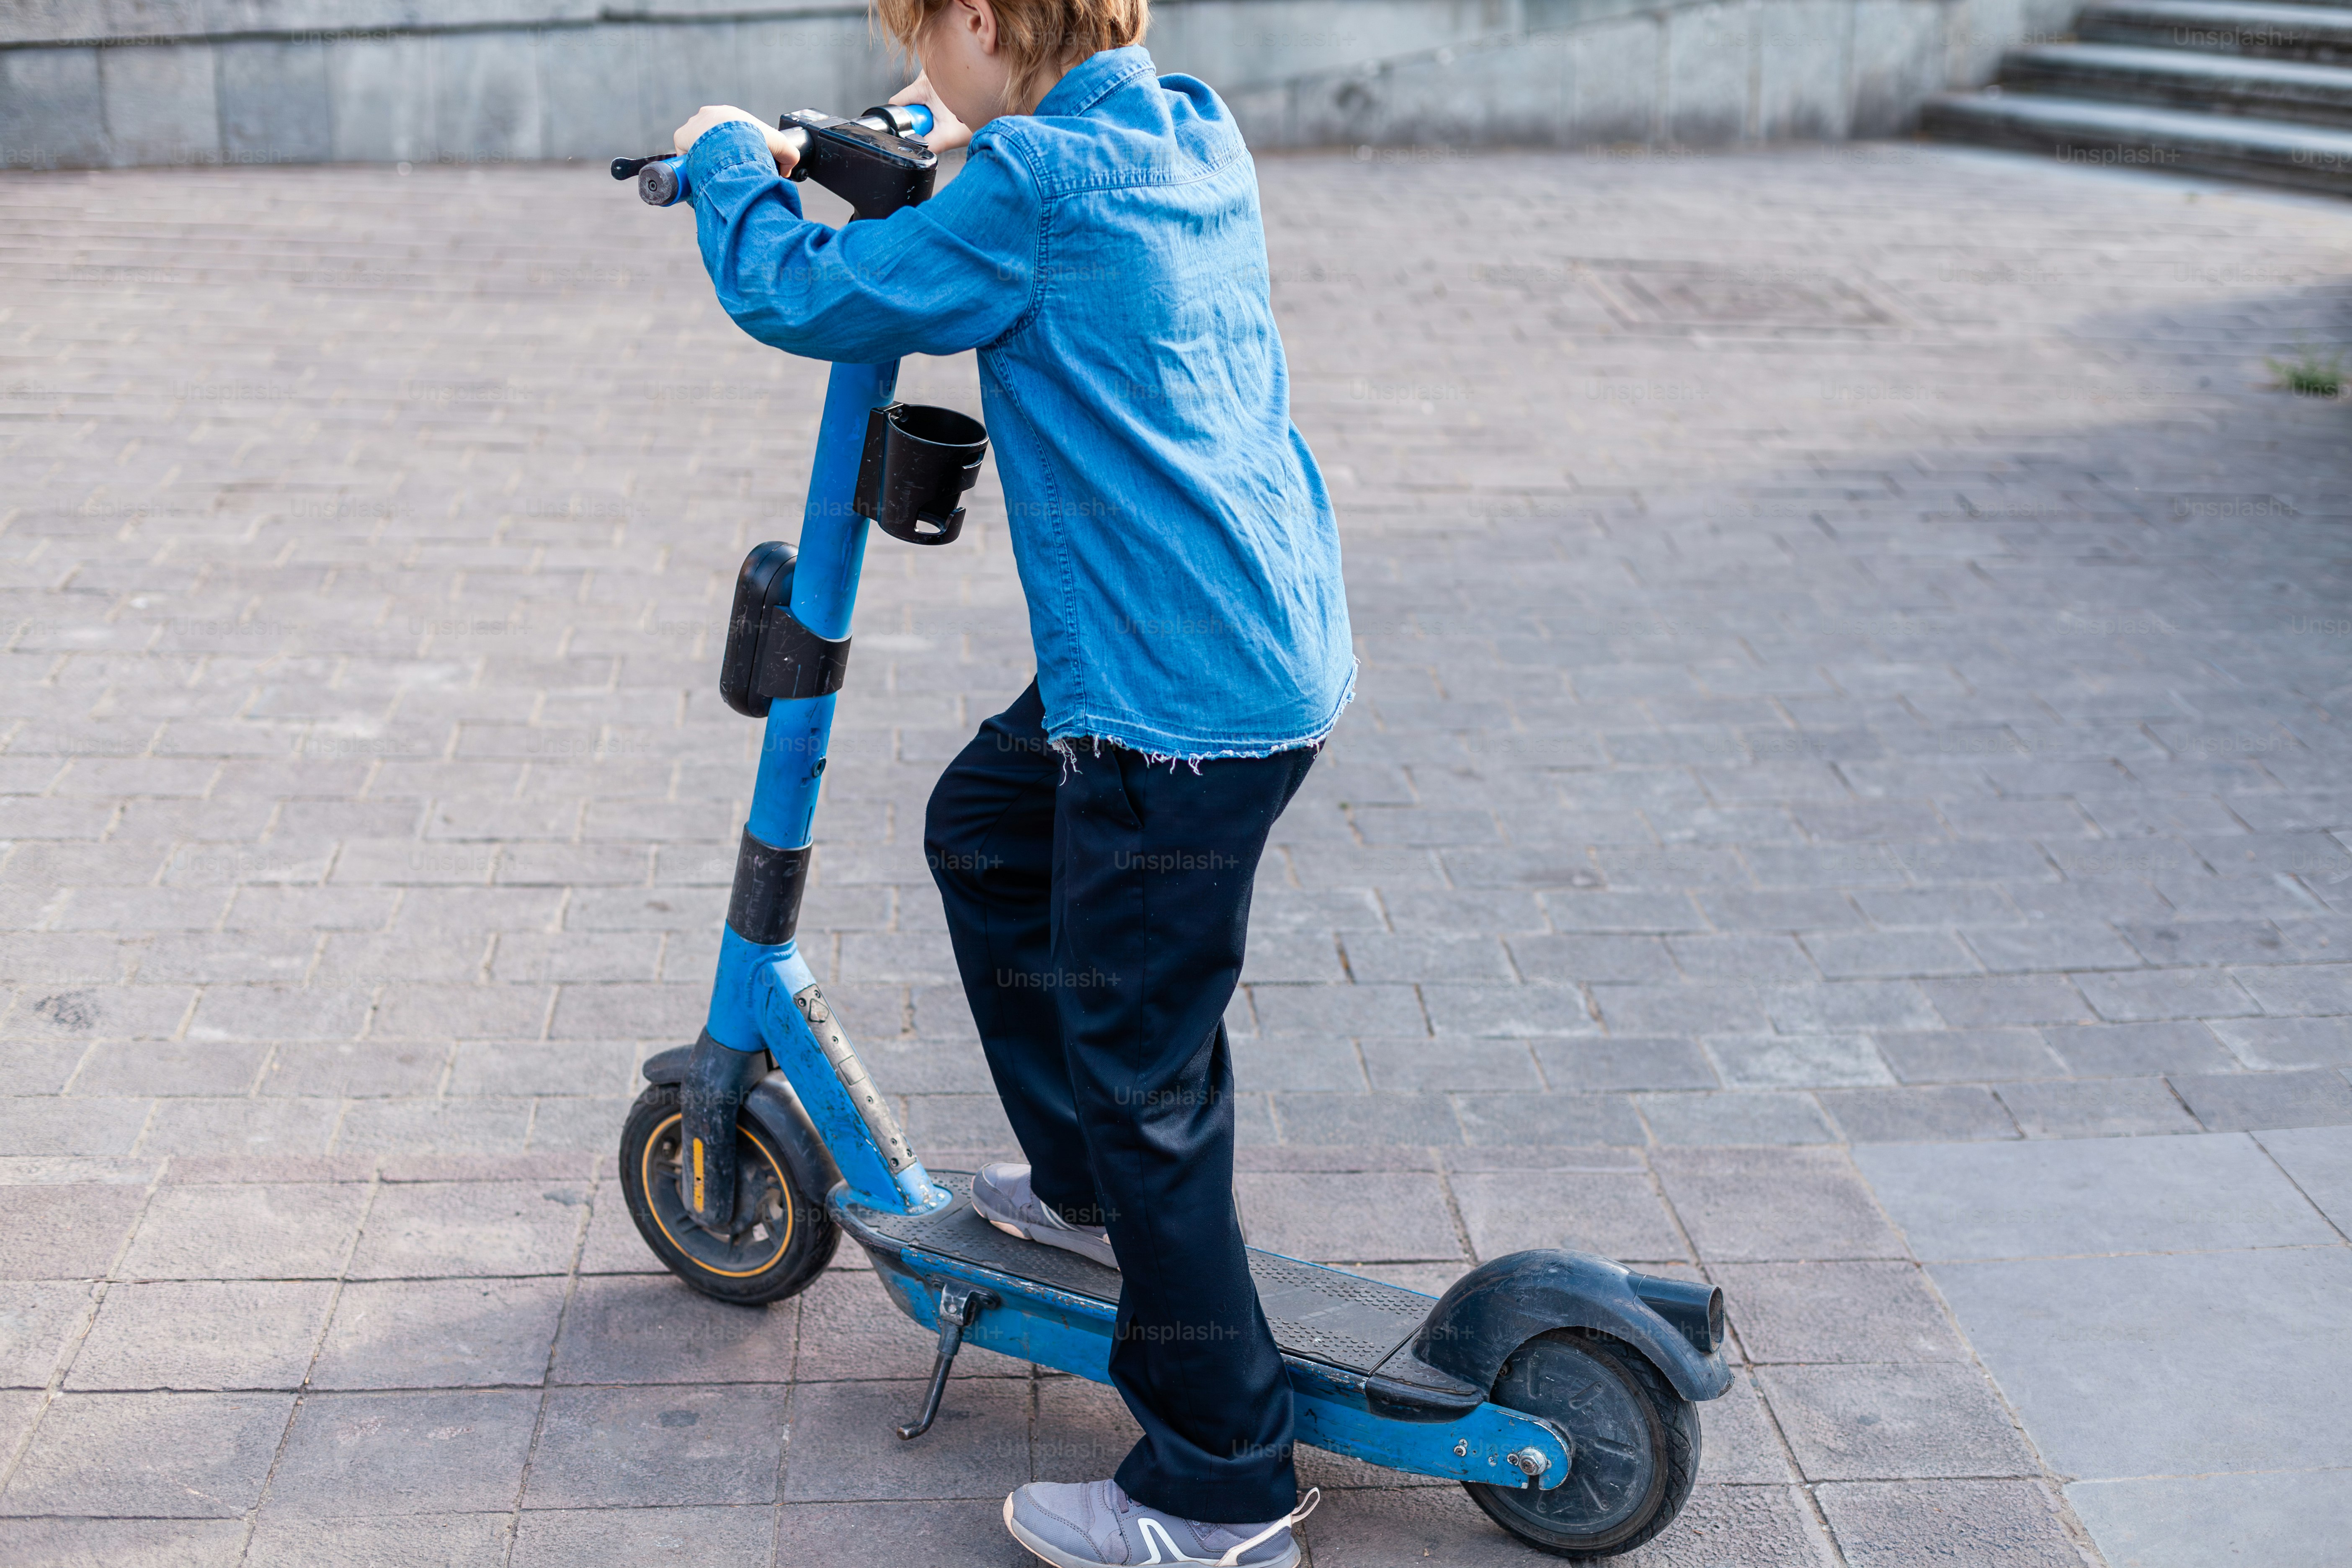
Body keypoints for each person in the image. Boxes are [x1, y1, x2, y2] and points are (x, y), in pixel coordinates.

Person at [670, 1, 1349, 1561]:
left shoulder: (1027, 192)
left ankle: (1218, 1487)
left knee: (1148, 1082)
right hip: (1236, 636)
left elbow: (805, 293)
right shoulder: (1180, 122)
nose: (917, 62)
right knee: (983, 830)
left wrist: (725, 160)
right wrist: (928, 121)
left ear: (983, 18)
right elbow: (1004, 139)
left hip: (1172, 716)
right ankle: (1079, 1192)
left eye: (922, 33)